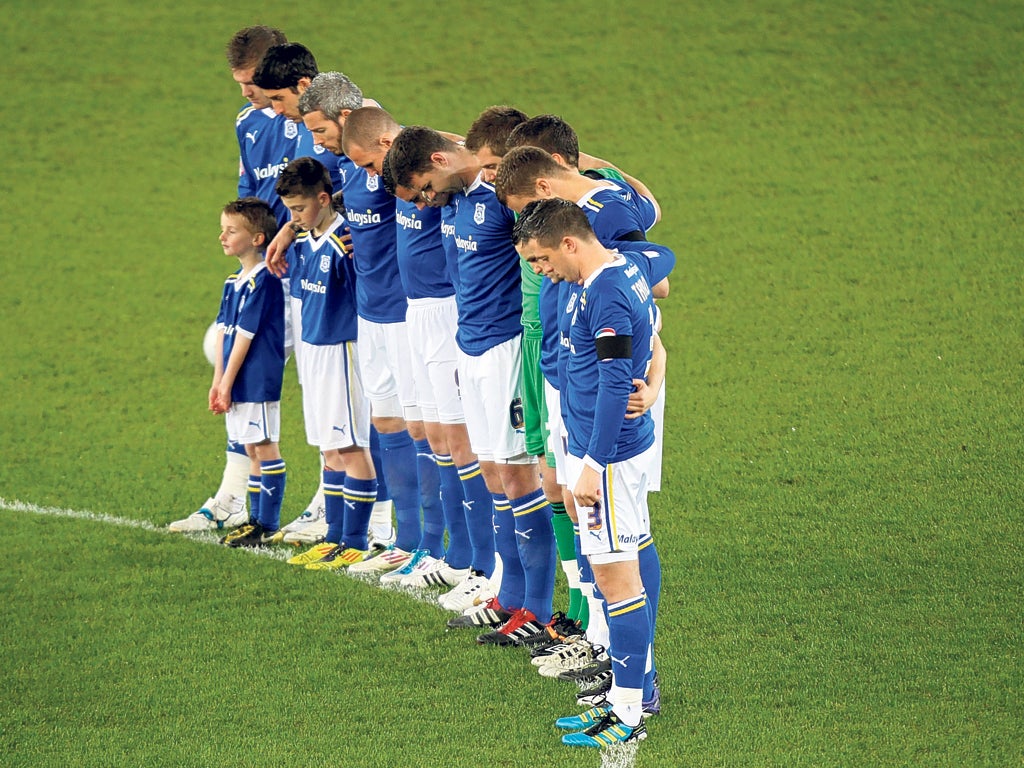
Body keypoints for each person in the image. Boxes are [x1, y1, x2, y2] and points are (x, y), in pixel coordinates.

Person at [388, 112, 558, 646]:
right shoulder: (454, 199)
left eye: (423, 188)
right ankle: (508, 596)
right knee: (492, 474)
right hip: (471, 350)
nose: (423, 202)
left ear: (440, 161)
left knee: (519, 478)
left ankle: (538, 609)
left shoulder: (502, 196)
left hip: (507, 349)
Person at [513, 198, 671, 748]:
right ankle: (633, 695)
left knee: (615, 582)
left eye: (541, 259)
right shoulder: (621, 268)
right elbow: (654, 332)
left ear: (569, 243)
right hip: (610, 450)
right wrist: (655, 381)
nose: (541, 271)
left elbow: (612, 383)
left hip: (606, 457)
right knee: (630, 558)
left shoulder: (605, 292)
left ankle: (627, 712)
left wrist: (592, 466)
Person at [289, 74, 431, 574]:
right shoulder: (351, 166)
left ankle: (429, 544)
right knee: (385, 423)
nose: (316, 142)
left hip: (405, 312)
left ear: (346, 118)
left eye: (319, 130)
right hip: (369, 313)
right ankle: (399, 538)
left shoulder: (396, 163)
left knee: (424, 429)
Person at [340, 106, 480, 589]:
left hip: (445, 309)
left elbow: (470, 152)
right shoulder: (400, 177)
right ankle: (432, 548)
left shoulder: (436, 171)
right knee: (427, 431)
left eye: (368, 163)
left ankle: (465, 558)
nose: (369, 175)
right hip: (413, 311)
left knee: (455, 438)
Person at [170, 26, 299, 536]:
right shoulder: (247, 122)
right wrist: (248, 252)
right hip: (266, 268)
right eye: (239, 83)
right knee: (227, 356)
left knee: (327, 388)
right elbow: (248, 192)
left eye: (252, 82)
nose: (245, 92)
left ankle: (338, 506)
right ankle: (232, 496)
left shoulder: (308, 120)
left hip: (309, 269)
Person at [270, 157, 379, 570]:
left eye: (299, 209)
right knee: (330, 449)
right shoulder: (303, 243)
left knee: (351, 446)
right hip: (314, 353)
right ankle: (333, 535)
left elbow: (365, 301)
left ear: (323, 198)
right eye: (290, 210)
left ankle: (356, 541)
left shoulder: (345, 243)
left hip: (342, 352)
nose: (294, 217)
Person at [207, 198, 288, 548]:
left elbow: (245, 335)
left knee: (264, 447)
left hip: (256, 378)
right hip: (236, 380)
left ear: (257, 239)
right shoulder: (233, 282)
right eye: (222, 230)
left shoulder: (264, 281)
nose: (222, 237)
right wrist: (218, 382)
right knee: (252, 448)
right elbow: (224, 333)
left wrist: (226, 382)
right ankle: (256, 521)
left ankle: (266, 524)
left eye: (231, 231)